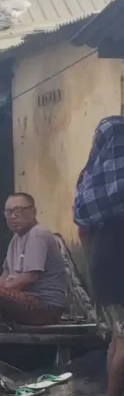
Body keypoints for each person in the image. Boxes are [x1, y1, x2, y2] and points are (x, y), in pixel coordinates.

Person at [74, 116, 124, 396]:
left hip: (103, 260)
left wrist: (94, 270)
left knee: (118, 339)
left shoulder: (94, 186)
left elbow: (82, 229)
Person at [0, 193, 66, 325]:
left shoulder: (38, 234)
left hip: (45, 306)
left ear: (33, 212)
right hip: (21, 299)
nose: (13, 216)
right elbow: (5, 276)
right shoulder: (16, 239)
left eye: (18, 210)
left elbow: (29, 277)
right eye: (8, 212)